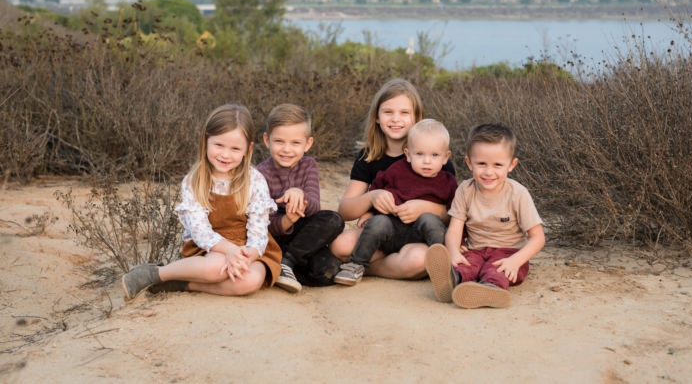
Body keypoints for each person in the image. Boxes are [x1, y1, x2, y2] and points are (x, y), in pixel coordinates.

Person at [121, 104, 282, 300]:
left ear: (247, 150)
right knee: (216, 268)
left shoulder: (255, 180)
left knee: (249, 281)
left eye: (235, 148)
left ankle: (185, 283)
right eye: (219, 145)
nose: (225, 154)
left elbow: (259, 232)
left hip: (248, 247)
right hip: (210, 246)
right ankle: (155, 274)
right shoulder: (194, 181)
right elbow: (200, 231)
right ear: (206, 141)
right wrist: (229, 250)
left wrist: (245, 256)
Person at [330, 78, 455, 280]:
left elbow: (452, 214)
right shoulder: (368, 156)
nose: (396, 119)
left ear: (416, 117)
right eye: (388, 112)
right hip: (382, 233)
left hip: (419, 239)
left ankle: (371, 266)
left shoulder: (435, 158)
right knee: (339, 245)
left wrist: (425, 208)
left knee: (418, 259)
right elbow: (344, 211)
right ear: (377, 117)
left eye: (404, 113)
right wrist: (372, 199)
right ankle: (369, 263)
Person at [425, 123, 545, 309]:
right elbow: (455, 229)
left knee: (497, 271)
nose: (489, 172)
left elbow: (538, 237)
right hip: (475, 250)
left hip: (509, 253)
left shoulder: (518, 194)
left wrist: (517, 261)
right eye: (481, 164)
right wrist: (454, 252)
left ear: (511, 165)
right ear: (469, 163)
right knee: (466, 265)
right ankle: (451, 280)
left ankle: (491, 289)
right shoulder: (465, 190)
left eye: (498, 165)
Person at [257, 104, 345, 292]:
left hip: (302, 239)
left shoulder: (309, 165)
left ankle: (286, 263)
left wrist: (301, 193)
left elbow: (314, 207)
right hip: (274, 237)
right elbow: (263, 224)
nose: (287, 149)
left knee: (329, 268)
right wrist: (287, 220)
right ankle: (282, 263)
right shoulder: (260, 174)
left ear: (308, 144)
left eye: (295, 143)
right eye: (279, 141)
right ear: (267, 140)